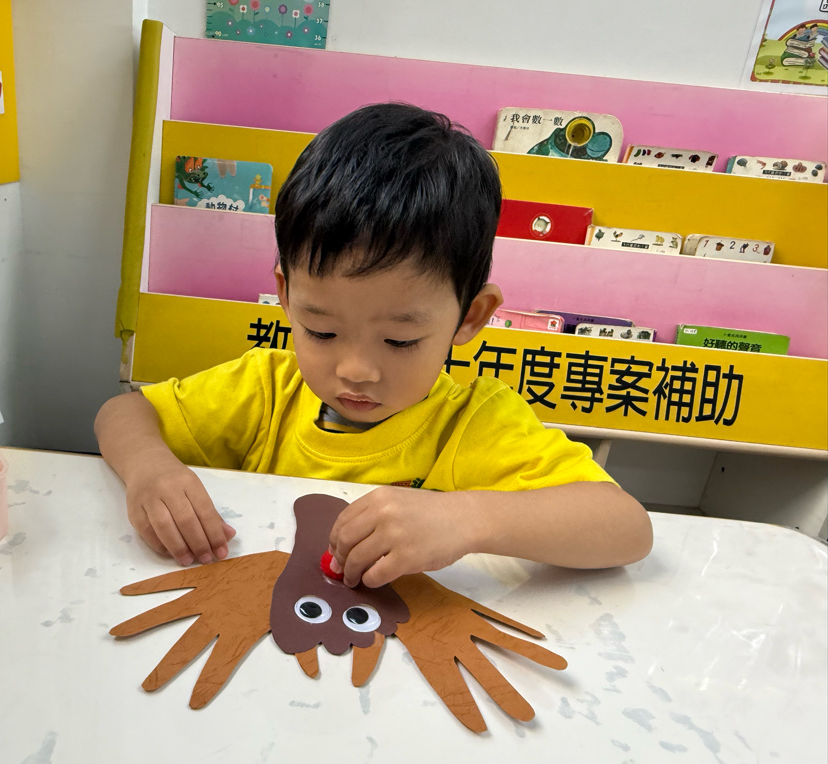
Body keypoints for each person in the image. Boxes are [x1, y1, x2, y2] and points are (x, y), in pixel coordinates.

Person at [95, 103, 653, 588]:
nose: (357, 370)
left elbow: (626, 527)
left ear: (470, 316)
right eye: (322, 331)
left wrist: (466, 519)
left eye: (399, 340)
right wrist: (150, 469)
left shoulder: (474, 424)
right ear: (286, 295)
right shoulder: (266, 388)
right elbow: (122, 413)